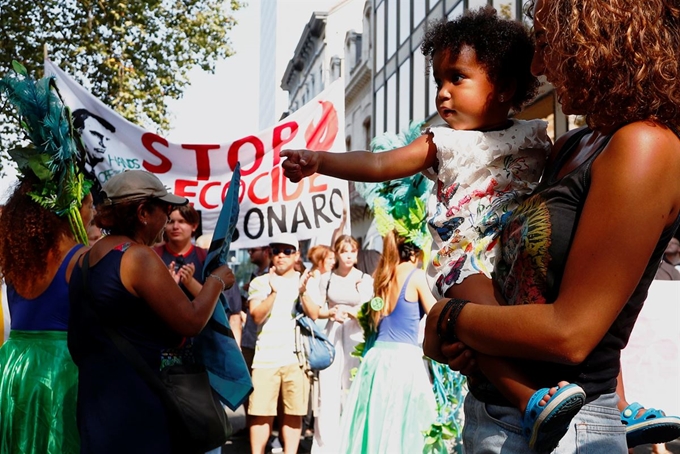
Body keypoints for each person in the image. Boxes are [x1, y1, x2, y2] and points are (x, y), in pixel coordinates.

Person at [281, 7, 577, 452]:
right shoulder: (441, 141)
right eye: (438, 82)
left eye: (457, 79)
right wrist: (322, 161)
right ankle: (528, 399)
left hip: (520, 249)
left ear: (506, 87)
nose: (442, 94)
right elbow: (381, 163)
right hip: (468, 258)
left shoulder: (537, 136)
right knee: (485, 325)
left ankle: (620, 401)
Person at [419, 0, 680, 452]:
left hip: (565, 431)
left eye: (545, 42)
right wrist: (473, 343)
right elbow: (530, 288)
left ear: (598, 38)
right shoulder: (575, 144)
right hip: (494, 416)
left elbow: (570, 334)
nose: (537, 65)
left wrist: (449, 319)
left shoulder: (645, 146)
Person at [67, 170, 236, 453]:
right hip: (137, 408)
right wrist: (217, 281)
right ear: (143, 212)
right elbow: (191, 320)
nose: (169, 218)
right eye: (165, 209)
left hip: (96, 404)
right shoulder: (137, 256)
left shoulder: (85, 259)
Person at [0, 176, 94, 454]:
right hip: (59, 370)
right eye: (90, 205)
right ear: (73, 210)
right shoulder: (82, 258)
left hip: (12, 366)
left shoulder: (16, 256)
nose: (94, 214)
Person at [338, 229, 441, 453]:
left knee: (375, 426)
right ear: (416, 251)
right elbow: (437, 315)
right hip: (404, 361)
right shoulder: (415, 276)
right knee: (405, 429)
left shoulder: (382, 275)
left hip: (376, 360)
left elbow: (374, 315)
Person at [247, 233, 322, 454]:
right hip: (265, 358)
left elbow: (315, 314)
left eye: (287, 251)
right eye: (276, 251)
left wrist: (302, 292)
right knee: (261, 413)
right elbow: (256, 316)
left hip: (296, 358)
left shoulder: (307, 280)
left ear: (296, 255)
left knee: (294, 412)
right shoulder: (259, 282)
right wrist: (273, 292)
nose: (281, 256)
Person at [311, 234, 374, 453]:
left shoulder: (364, 279)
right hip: (332, 334)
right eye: (344, 251)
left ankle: (352, 442)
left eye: (352, 251)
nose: (348, 255)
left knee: (352, 387)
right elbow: (316, 310)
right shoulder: (325, 278)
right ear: (337, 253)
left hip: (356, 335)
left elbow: (372, 309)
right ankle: (325, 445)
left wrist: (353, 311)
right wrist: (330, 313)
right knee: (327, 391)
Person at [154, 204, 206, 298]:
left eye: (181, 221)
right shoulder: (153, 256)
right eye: (170, 221)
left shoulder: (205, 257)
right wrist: (168, 287)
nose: (175, 227)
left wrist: (190, 282)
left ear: (194, 226)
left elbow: (215, 301)